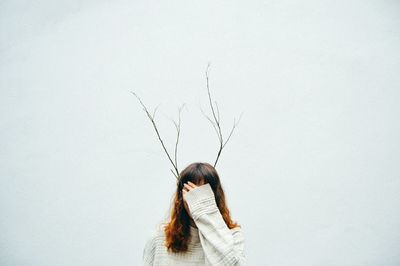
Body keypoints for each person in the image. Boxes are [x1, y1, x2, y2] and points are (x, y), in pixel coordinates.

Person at [143, 162, 247, 265]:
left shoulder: (233, 237)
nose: (196, 201)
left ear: (215, 197)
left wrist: (205, 213)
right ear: (181, 197)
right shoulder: (159, 239)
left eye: (203, 194)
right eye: (191, 192)